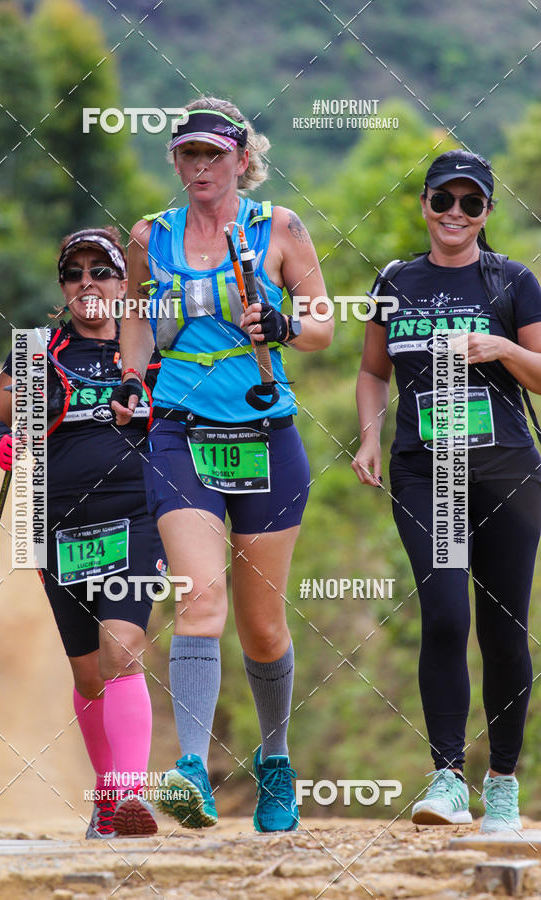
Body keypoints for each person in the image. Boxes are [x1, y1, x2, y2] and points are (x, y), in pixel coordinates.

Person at [111, 97, 333, 833]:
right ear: (174, 161)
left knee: (263, 628)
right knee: (199, 598)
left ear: (242, 158)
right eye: (188, 155)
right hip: (181, 434)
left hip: (268, 435)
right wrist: (132, 379)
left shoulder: (279, 229)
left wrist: (284, 322)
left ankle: (275, 764)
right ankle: (192, 773)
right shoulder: (151, 237)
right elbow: (138, 317)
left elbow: (325, 326)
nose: (201, 167)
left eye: (215, 154)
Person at [352, 149, 541, 833]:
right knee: (444, 615)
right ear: (425, 205)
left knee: (503, 629)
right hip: (427, 471)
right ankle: (446, 778)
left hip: (504, 471)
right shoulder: (395, 281)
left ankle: (502, 785)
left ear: (487, 212)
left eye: (471, 203)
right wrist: (368, 437)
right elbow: (374, 373)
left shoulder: (513, 281)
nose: (455, 213)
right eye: (444, 200)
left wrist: (504, 352)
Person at [0, 227, 165, 839]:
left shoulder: (149, 348)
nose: (88, 281)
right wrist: (1, 445)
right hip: (52, 522)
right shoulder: (35, 351)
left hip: (136, 514)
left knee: (122, 651)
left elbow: (185, 419)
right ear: (63, 287)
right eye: (75, 272)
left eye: (102, 270)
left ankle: (129, 796)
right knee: (88, 673)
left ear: (122, 281)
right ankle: (106, 804)